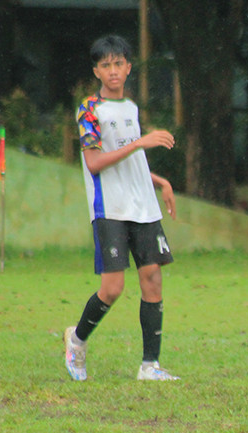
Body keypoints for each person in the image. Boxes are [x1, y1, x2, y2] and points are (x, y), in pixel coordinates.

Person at [63, 34, 179, 382]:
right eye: (105, 65)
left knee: (153, 280)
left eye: (118, 64)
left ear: (128, 68)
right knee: (112, 288)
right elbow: (96, 162)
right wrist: (141, 143)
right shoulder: (89, 110)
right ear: (96, 71)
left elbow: (130, 159)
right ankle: (77, 341)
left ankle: (150, 366)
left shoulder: (131, 109)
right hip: (110, 208)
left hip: (143, 206)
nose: (113, 70)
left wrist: (159, 181)